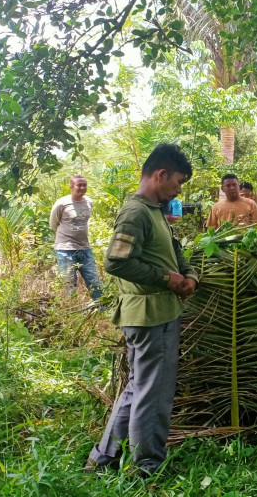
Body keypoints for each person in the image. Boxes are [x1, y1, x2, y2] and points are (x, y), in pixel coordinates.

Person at [86, 144, 199, 476]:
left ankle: (103, 458)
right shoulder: (136, 211)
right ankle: (145, 467)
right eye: (177, 182)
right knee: (154, 394)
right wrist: (168, 279)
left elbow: (172, 255)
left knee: (139, 388)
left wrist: (188, 276)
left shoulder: (153, 211)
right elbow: (116, 262)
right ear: (161, 175)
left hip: (157, 313)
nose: (179, 190)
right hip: (151, 317)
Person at [49, 175, 103, 304]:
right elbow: (53, 224)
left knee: (94, 281)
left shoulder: (89, 202)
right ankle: (72, 310)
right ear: (71, 186)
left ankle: (102, 309)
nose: (82, 188)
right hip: (65, 249)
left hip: (84, 248)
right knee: (69, 284)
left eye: (84, 185)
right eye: (79, 185)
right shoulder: (62, 203)